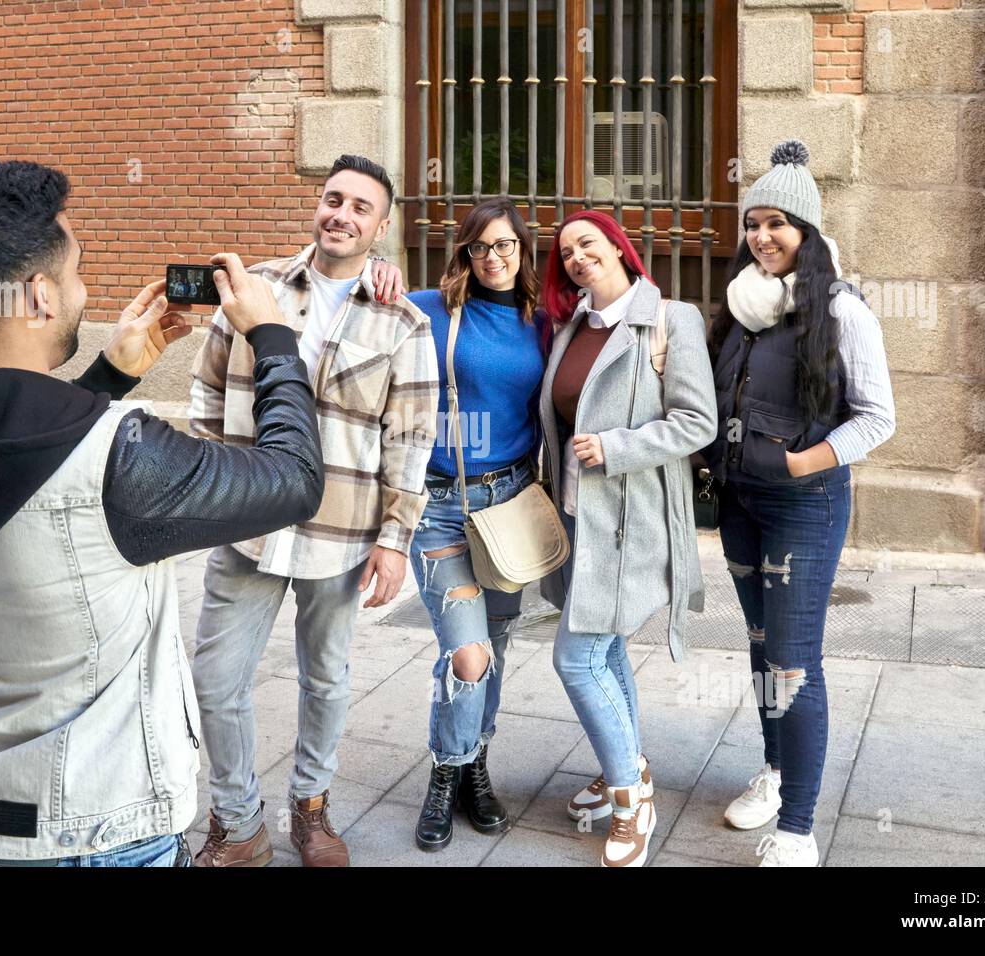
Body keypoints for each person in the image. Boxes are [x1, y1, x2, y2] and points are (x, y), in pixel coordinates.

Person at [0, 160, 324, 867]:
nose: (83, 291)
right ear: (39, 297)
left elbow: (11, 464)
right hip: (99, 833)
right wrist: (274, 338)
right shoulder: (121, 460)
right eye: (76, 273)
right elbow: (293, 478)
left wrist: (109, 376)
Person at [188, 154, 439, 867]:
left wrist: (397, 538)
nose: (342, 214)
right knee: (215, 679)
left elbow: (411, 438)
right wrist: (214, 488)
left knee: (325, 677)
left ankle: (311, 806)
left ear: (381, 227)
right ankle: (237, 824)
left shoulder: (405, 322)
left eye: (362, 207)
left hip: (342, 533)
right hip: (247, 525)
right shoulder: (253, 289)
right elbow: (207, 395)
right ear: (317, 205)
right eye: (334, 199)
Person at [703, 140, 895, 867]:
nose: (762, 237)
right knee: (760, 650)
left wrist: (796, 461)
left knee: (792, 661)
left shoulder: (844, 312)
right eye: (753, 223)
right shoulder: (742, 307)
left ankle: (798, 829)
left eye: (777, 222)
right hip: (741, 506)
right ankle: (777, 774)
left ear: (808, 232)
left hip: (804, 506)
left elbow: (878, 418)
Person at [538, 209, 717, 868]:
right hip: (578, 515)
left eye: (589, 243)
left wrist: (615, 447)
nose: (578, 257)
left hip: (631, 518)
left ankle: (629, 799)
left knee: (576, 660)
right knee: (605, 651)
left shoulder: (672, 321)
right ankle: (629, 767)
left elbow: (697, 423)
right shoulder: (571, 327)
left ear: (619, 247)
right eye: (566, 253)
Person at [401, 198, 548, 851]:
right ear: (465, 253)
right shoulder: (429, 309)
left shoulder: (540, 321)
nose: (494, 258)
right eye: (481, 247)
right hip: (440, 509)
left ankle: (475, 764)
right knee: (469, 655)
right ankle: (445, 772)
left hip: (509, 504)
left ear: (523, 253)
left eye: (506, 247)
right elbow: (347, 316)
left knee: (497, 650)